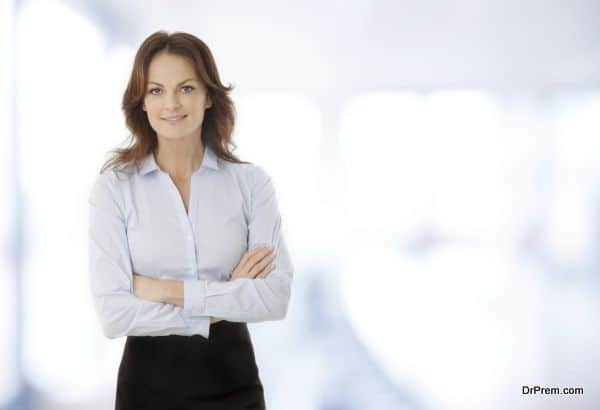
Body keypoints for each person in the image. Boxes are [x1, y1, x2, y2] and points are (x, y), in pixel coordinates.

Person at [88, 30, 294, 410]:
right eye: (156, 90)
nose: (171, 103)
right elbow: (114, 315)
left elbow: (273, 298)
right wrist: (226, 298)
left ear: (209, 96)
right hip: (145, 391)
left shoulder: (250, 184)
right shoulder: (115, 189)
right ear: (141, 102)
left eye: (186, 88)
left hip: (235, 388)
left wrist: (162, 289)